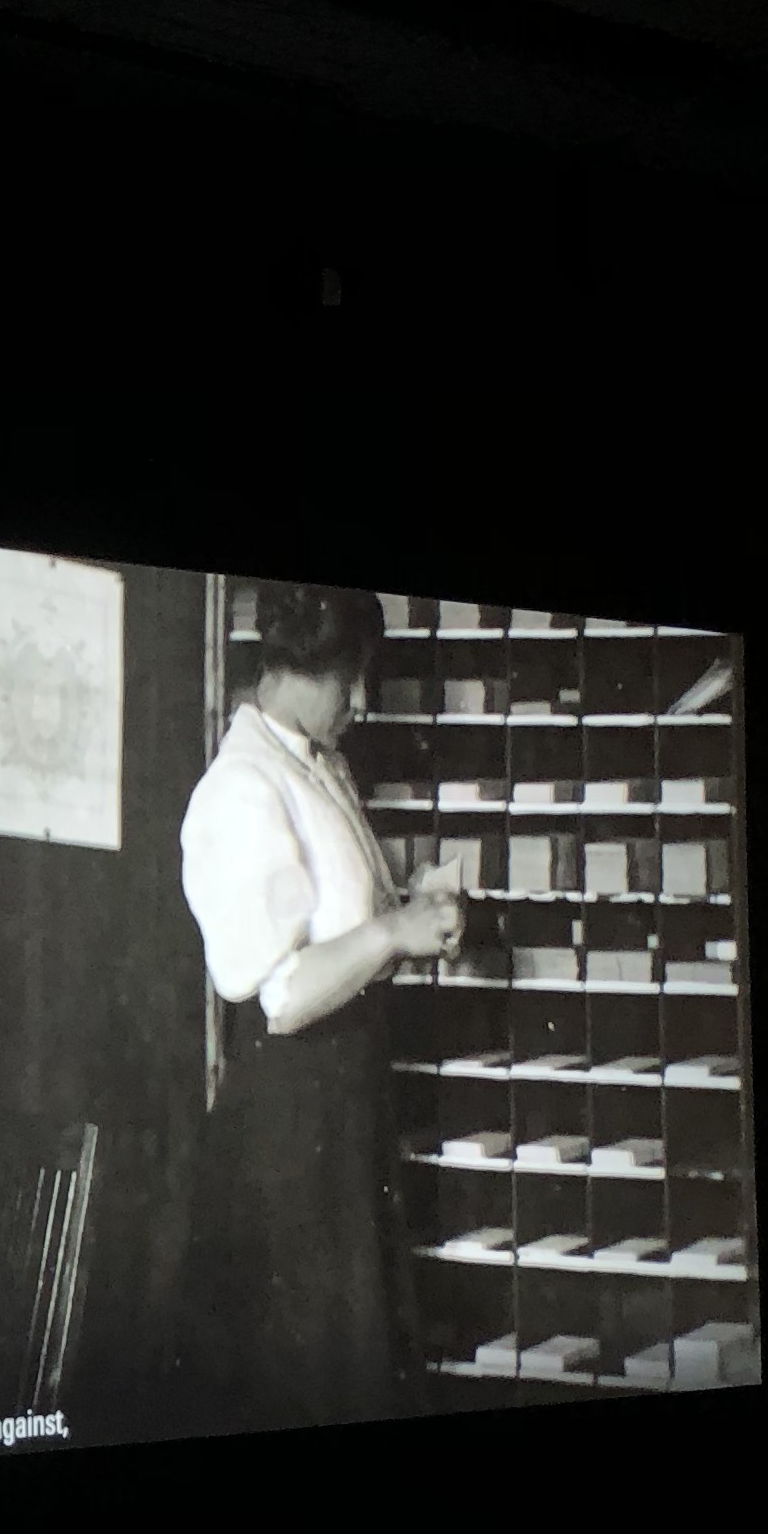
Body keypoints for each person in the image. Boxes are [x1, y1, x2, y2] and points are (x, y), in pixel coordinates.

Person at [176, 581, 467, 1426]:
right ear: (301, 671)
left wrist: (411, 915)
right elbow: (282, 994)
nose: (363, 702)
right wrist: (394, 934)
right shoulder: (243, 789)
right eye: (351, 680)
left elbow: (343, 929)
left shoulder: (317, 764)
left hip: (344, 1108)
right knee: (316, 1377)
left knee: (361, 1367)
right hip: (291, 1123)